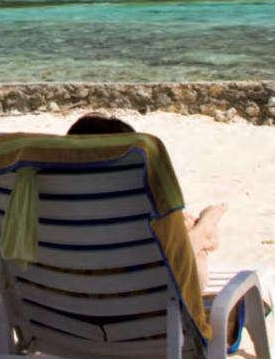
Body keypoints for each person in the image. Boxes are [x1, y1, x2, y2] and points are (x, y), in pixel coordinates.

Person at [67, 113, 227, 291]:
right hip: (146, 309)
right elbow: (184, 272)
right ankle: (204, 230)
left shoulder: (50, 210)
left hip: (61, 311)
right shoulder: (139, 207)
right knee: (191, 250)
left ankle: (200, 232)